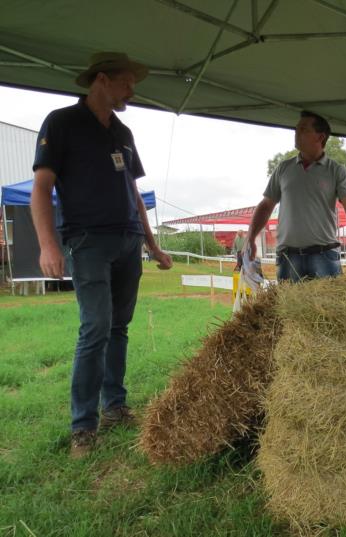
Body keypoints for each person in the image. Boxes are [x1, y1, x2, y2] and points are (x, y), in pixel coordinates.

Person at [30, 52, 173, 458]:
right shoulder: (61, 122)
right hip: (87, 240)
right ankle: (83, 426)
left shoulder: (123, 132)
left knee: (119, 327)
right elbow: (41, 189)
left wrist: (152, 243)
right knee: (95, 327)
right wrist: (47, 245)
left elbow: (134, 192)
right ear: (102, 80)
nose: (132, 91)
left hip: (128, 240)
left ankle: (114, 407)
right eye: (127, 83)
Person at [246, 111, 346, 282]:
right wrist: (250, 237)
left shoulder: (336, 170)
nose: (296, 132)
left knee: (328, 308)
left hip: (324, 256)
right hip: (288, 257)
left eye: (303, 129)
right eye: (297, 128)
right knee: (288, 309)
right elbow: (266, 205)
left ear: (320, 136)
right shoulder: (283, 169)